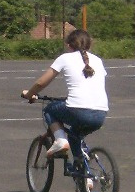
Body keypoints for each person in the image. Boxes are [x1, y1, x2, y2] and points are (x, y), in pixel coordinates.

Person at [21, 29, 108, 161]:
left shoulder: (65, 58)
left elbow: (41, 83)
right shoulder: (98, 61)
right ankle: (86, 177)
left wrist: (30, 94)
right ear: (90, 45)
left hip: (78, 110)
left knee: (49, 110)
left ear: (68, 45)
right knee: (74, 135)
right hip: (101, 114)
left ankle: (60, 140)